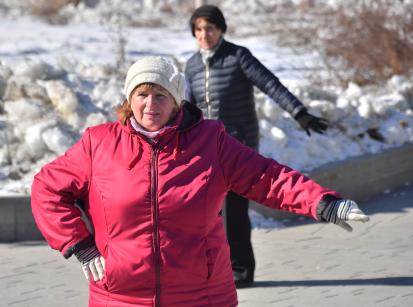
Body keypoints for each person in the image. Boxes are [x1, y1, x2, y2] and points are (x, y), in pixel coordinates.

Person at [31, 56, 369, 307]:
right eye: (142, 94)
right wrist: (80, 245)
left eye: (161, 95)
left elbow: (267, 177)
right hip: (119, 296)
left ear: (177, 100)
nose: (151, 104)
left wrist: (323, 203)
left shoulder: (210, 141)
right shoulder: (99, 143)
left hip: (202, 294)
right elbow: (47, 188)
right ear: (129, 99)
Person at [184, 4, 330, 288]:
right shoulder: (191, 66)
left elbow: (270, 84)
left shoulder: (238, 56)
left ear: (221, 29)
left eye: (210, 28)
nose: (204, 34)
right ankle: (213, 271)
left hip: (238, 149)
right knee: (207, 216)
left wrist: (299, 113)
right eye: (199, 29)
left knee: (234, 214)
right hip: (205, 151)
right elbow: (190, 109)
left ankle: (241, 271)